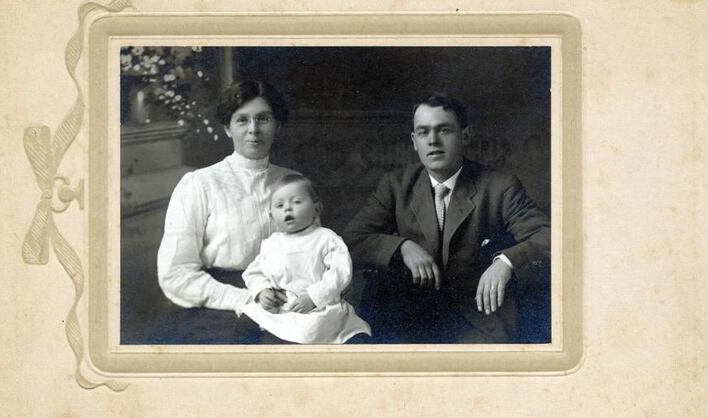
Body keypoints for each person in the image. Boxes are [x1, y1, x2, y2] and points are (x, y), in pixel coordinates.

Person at [342, 93, 550, 343]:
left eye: (444, 130)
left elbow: (548, 237)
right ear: (414, 141)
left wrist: (505, 262)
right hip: (407, 316)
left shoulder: (500, 186)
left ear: (465, 136)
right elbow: (352, 239)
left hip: (477, 315)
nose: (433, 141)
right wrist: (402, 247)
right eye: (423, 132)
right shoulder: (396, 185)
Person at [155, 80, 296, 343]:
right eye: (241, 120)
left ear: (278, 125)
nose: (253, 130)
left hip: (284, 302)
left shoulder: (293, 184)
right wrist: (245, 298)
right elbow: (175, 274)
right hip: (221, 304)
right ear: (227, 129)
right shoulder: (200, 184)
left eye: (263, 119)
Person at [237, 174, 371, 344]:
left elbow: (340, 273)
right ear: (271, 217)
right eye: (279, 205)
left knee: (308, 333)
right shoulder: (272, 243)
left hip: (314, 308)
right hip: (280, 305)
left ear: (316, 209)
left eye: (296, 202)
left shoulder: (326, 238)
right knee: (245, 321)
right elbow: (254, 273)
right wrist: (262, 291)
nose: (287, 209)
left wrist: (313, 297)